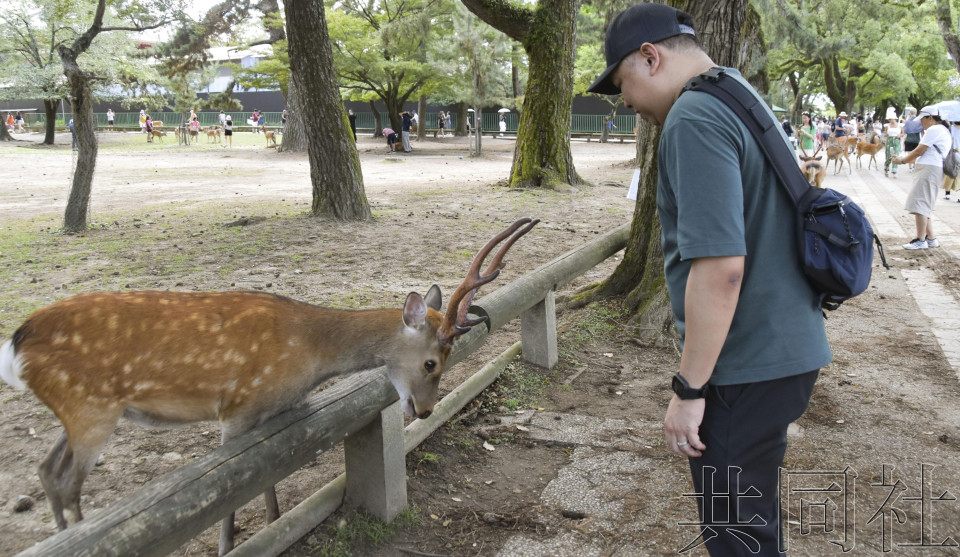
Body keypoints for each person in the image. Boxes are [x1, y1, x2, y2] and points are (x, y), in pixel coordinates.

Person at [587, 4, 831, 555]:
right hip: (786, 349)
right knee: (751, 522)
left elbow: (721, 268)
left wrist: (689, 389)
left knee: (736, 536)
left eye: (622, 84)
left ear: (650, 57)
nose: (625, 103)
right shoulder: (738, 93)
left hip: (743, 366)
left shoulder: (694, 117)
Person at [892, 106, 950, 250]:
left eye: (922, 120)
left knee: (921, 203)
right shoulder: (942, 130)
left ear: (930, 118)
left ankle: (920, 239)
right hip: (931, 168)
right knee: (924, 204)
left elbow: (919, 150)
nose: (921, 123)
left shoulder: (934, 129)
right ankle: (930, 238)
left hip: (929, 169)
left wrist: (902, 161)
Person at [943, 120, 960, 201]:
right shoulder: (951, 129)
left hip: (952, 154)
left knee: (950, 174)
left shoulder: (950, 129)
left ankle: (947, 194)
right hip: (954, 154)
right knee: (955, 175)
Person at [883, 108, 902, 178]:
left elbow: (903, 133)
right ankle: (886, 168)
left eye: (891, 119)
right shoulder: (887, 126)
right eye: (889, 119)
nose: (890, 120)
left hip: (896, 140)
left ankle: (894, 171)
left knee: (895, 155)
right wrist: (886, 135)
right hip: (889, 140)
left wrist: (900, 135)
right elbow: (886, 133)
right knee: (889, 156)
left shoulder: (900, 126)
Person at [903, 107, 922, 171]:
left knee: (909, 154)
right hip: (916, 139)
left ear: (910, 113)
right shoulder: (919, 121)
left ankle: (910, 167)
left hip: (909, 139)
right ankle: (914, 166)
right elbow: (922, 131)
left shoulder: (907, 122)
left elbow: (905, 131)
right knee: (915, 154)